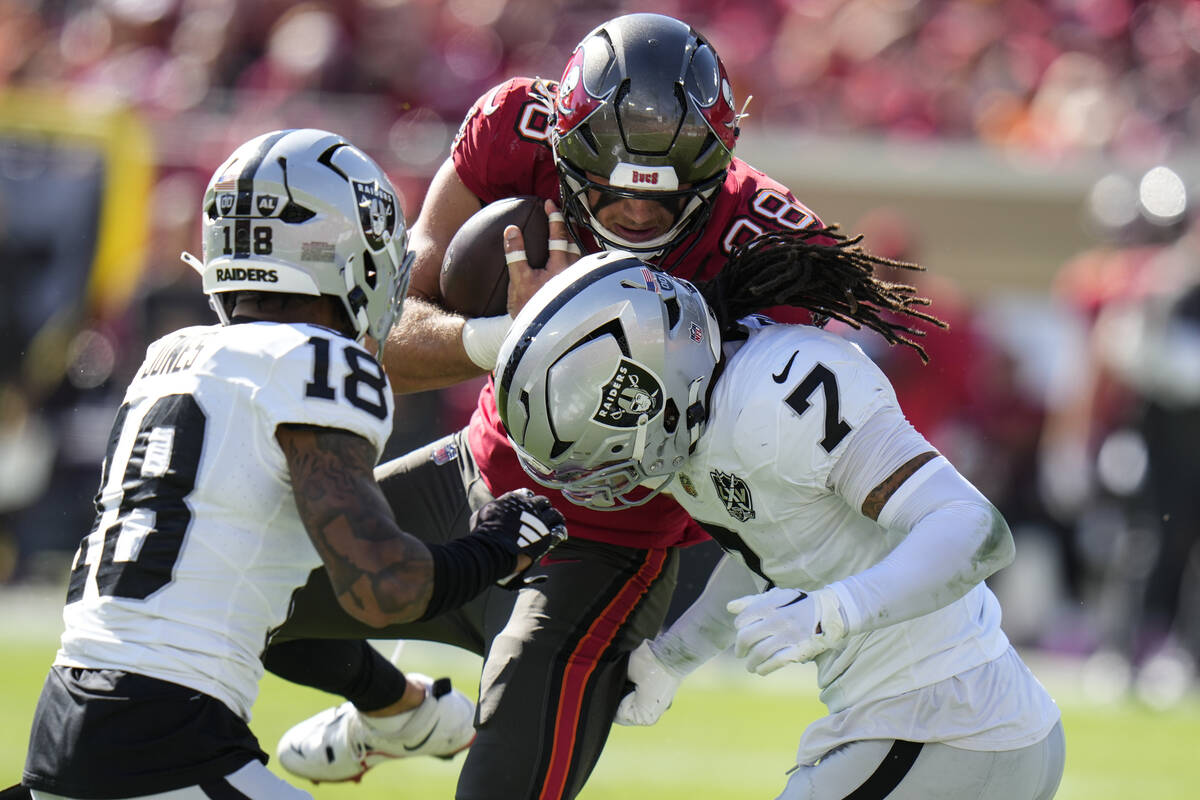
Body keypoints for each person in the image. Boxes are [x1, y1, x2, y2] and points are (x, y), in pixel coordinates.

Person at [263, 13, 854, 798]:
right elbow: (381, 341)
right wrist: (512, 337)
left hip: (606, 549)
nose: (639, 216)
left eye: (665, 199)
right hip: (473, 483)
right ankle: (397, 711)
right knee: (240, 576)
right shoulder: (516, 129)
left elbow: (789, 461)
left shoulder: (770, 245)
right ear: (566, 150)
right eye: (613, 196)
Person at [17, 128, 566, 800]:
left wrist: (397, 704)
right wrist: (497, 543)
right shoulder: (319, 362)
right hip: (167, 753)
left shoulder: (170, 357)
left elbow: (279, 606)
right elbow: (382, 584)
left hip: (69, 733)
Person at [497, 244, 1066, 799]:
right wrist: (675, 657)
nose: (605, 463)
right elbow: (777, 553)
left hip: (941, 726)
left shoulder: (780, 391)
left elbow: (974, 529)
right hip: (962, 730)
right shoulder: (704, 418)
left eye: (609, 429)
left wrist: (833, 611)